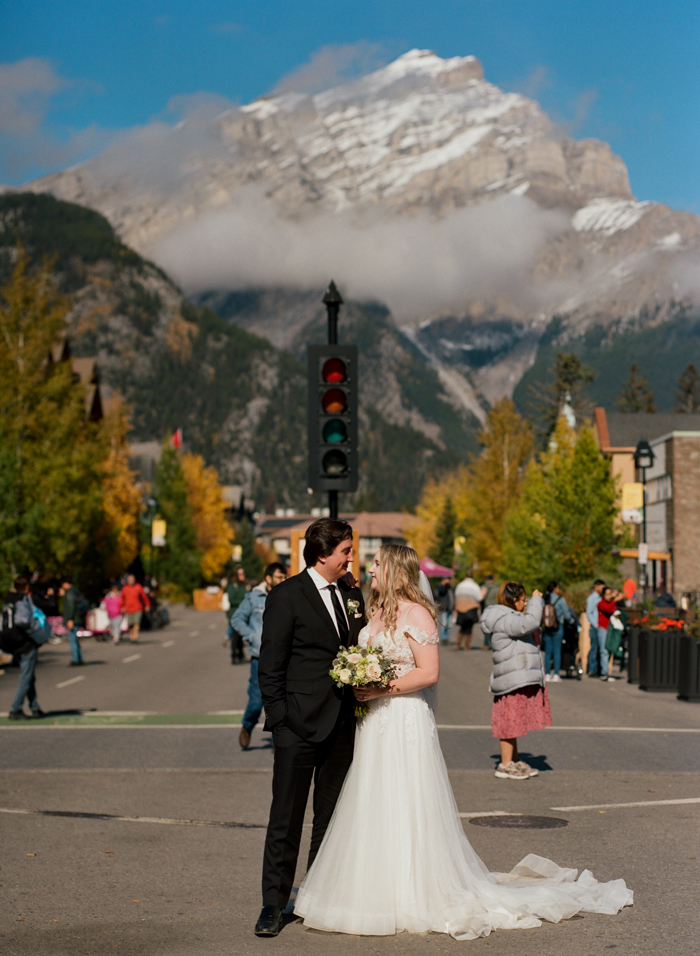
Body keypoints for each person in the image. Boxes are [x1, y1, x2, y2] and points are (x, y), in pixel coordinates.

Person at [294, 550, 632, 939]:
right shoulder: (376, 612)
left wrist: (380, 687)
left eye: (376, 563)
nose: (369, 569)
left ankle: (412, 890)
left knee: (407, 798)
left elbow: (430, 672)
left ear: (395, 570)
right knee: (374, 798)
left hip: (403, 716)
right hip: (375, 721)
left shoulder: (416, 614)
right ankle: (372, 886)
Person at [255, 518, 366, 938]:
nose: (351, 557)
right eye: (345, 551)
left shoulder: (352, 593)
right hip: (297, 728)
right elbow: (271, 666)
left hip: (342, 726)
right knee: (285, 819)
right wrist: (281, 719)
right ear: (323, 554)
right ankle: (273, 904)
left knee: (330, 819)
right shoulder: (287, 596)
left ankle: (318, 896)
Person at [479, 582, 549, 780]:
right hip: (510, 679)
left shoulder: (508, 617)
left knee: (513, 721)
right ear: (514, 600)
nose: (525, 604)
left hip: (513, 677)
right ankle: (505, 765)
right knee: (508, 722)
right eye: (523, 600)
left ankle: (513, 760)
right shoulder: (505, 618)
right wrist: (537, 600)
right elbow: (531, 623)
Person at [232, 562, 287, 751]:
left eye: (285, 577)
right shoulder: (254, 597)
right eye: (279, 577)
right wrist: (252, 637)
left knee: (280, 699)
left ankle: (277, 739)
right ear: (269, 578)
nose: (283, 580)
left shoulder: (288, 596)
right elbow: (236, 619)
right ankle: (247, 726)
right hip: (259, 658)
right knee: (256, 701)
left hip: (283, 657)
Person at [4, 576, 46, 719]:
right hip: (26, 643)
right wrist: (35, 632)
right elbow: (23, 621)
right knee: (26, 677)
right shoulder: (23, 600)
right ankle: (15, 709)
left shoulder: (9, 600)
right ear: (27, 587)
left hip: (13, 643)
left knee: (29, 676)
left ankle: (35, 707)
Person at [541, 581, 577, 683]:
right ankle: (556, 674)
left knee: (548, 652)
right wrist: (572, 621)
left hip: (547, 628)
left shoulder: (544, 599)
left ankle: (547, 673)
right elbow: (567, 615)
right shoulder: (560, 600)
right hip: (558, 627)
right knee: (557, 651)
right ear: (556, 588)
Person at [596, 586, 622, 682]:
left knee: (608, 650)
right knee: (604, 650)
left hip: (610, 629)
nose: (609, 596)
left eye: (610, 594)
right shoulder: (600, 604)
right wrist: (615, 600)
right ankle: (604, 673)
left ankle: (606, 671)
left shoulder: (611, 603)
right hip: (602, 628)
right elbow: (608, 609)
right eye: (607, 594)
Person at [60, 575, 86, 666]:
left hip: (73, 619)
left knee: (72, 639)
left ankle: (76, 659)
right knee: (75, 639)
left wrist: (69, 619)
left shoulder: (70, 593)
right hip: (77, 618)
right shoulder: (75, 591)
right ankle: (79, 658)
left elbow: (70, 606)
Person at [454, 572, 484, 650]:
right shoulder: (475, 586)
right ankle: (466, 645)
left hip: (461, 607)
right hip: (471, 608)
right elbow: (479, 598)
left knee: (462, 627)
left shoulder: (460, 585)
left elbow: (456, 595)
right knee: (469, 628)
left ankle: (458, 644)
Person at [225, 567, 248, 664]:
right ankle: (234, 655)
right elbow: (231, 600)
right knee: (235, 636)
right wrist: (243, 602)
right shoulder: (232, 586)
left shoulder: (243, 586)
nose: (243, 575)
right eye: (240, 574)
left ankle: (240, 653)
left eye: (243, 573)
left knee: (240, 636)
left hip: (243, 614)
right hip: (234, 614)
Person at [120, 574, 150, 643]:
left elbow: (144, 597)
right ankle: (132, 636)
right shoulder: (125, 588)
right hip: (129, 609)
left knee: (137, 622)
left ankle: (135, 637)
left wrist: (147, 605)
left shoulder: (138, 587)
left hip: (137, 608)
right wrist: (121, 607)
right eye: (130, 580)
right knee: (131, 624)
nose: (131, 581)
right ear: (127, 581)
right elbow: (122, 599)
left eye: (132, 580)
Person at [585, 579, 606, 678]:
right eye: (602, 587)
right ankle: (592, 670)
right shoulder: (592, 598)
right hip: (595, 627)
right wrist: (596, 624)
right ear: (596, 587)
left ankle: (598, 669)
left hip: (601, 626)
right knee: (594, 648)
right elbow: (589, 613)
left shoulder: (601, 598)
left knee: (601, 649)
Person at [434, 576, 455, 644]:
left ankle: (446, 638)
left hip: (450, 609)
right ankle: (443, 638)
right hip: (444, 608)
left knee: (449, 625)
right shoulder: (441, 587)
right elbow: (441, 592)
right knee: (444, 623)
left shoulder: (450, 588)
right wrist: (445, 585)